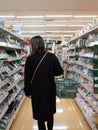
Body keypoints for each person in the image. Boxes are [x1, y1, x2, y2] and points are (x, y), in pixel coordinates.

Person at [24, 36, 63, 130]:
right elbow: (59, 72)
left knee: (39, 113)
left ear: (33, 46)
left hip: (36, 90)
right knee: (50, 112)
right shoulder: (51, 56)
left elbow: (27, 77)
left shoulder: (30, 59)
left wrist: (27, 92)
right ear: (43, 44)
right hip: (49, 89)